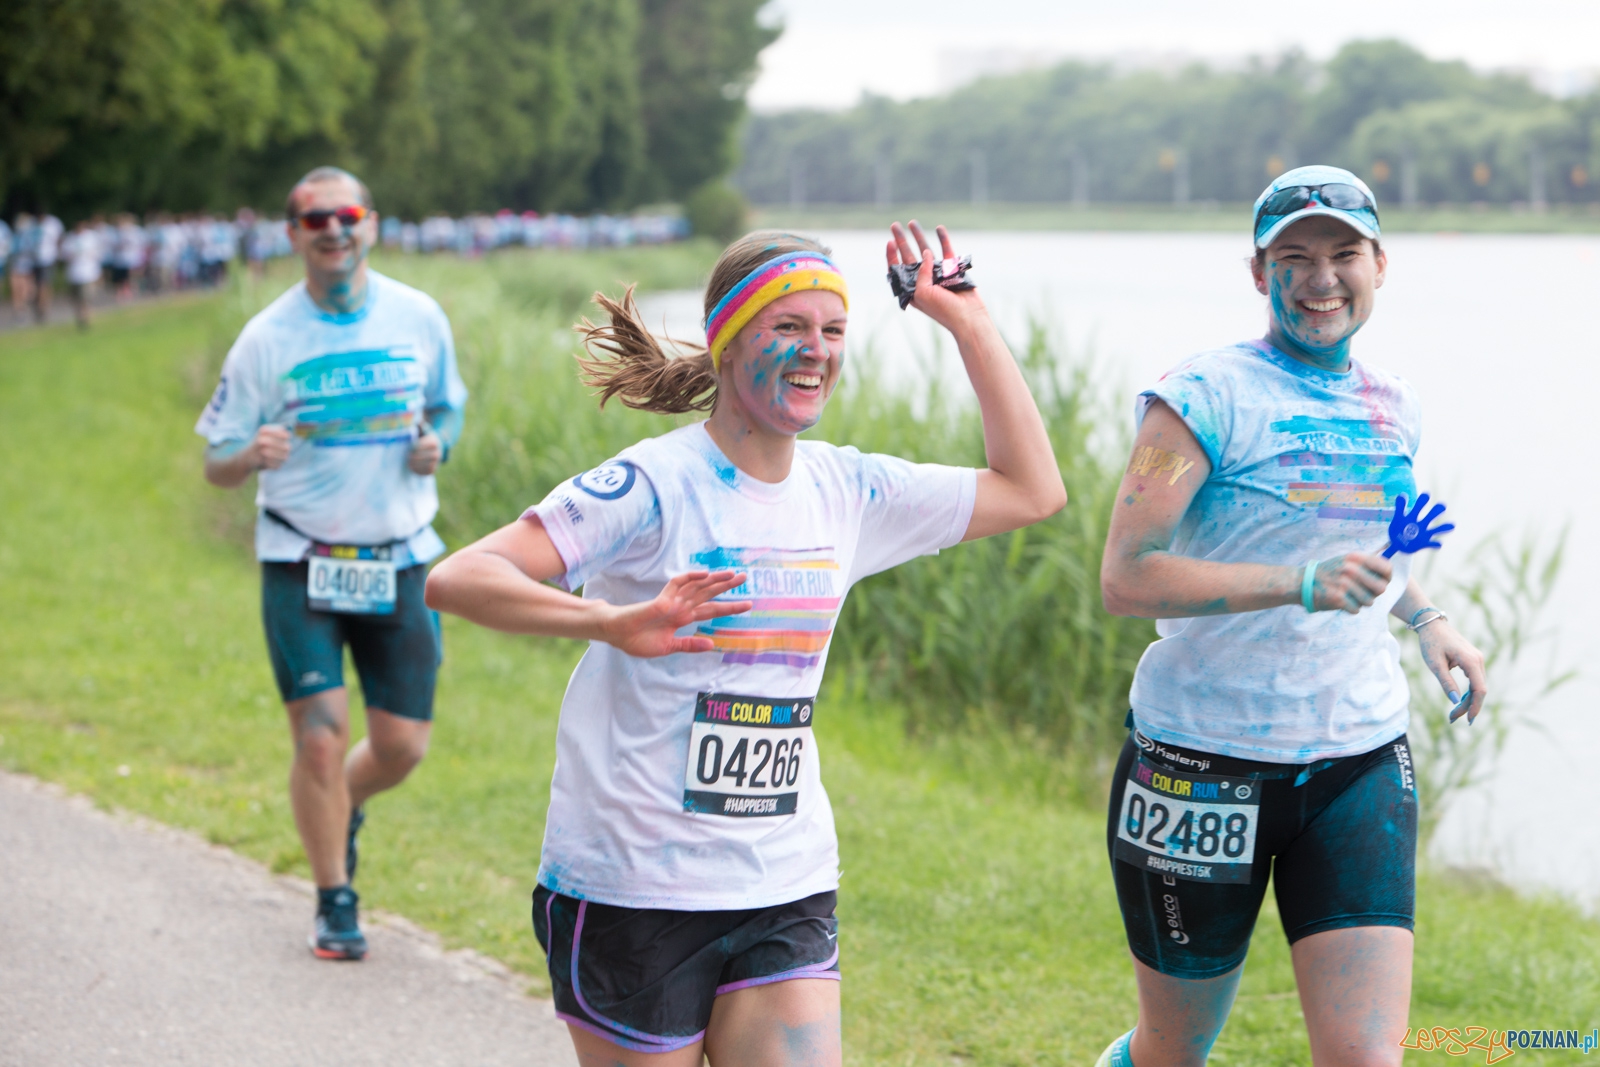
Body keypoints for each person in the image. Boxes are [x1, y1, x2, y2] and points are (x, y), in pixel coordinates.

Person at [424, 222, 1065, 1066]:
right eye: (788, 328)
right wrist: (611, 622)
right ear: (729, 342)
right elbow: (460, 577)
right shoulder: (654, 485)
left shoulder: (848, 489)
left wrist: (967, 320)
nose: (816, 351)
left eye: (833, 331)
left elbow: (1032, 489)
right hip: (633, 884)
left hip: (782, 877)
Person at [1094, 165, 1488, 1067]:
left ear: (1380, 264)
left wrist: (1428, 621)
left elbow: (1370, 551)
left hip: (1358, 759)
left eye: (1344, 253)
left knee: (1366, 1056)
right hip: (1199, 763)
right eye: (1295, 256)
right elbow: (1127, 576)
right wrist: (1295, 582)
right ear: (1258, 271)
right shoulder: (1198, 398)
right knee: (1173, 1047)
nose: (1322, 278)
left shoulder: (1395, 404)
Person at [195, 165, 468, 961]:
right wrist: (248, 454)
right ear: (293, 235)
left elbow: (448, 403)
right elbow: (214, 458)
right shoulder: (267, 338)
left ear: (371, 224)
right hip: (299, 558)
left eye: (346, 215)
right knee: (319, 735)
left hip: (400, 559)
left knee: (403, 746)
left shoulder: (419, 315)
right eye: (315, 219)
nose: (333, 229)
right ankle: (333, 898)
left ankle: (339, 802)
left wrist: (437, 445)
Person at [61, 217, 104, 329]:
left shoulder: (92, 237)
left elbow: (98, 254)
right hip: (74, 274)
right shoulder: (69, 238)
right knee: (76, 299)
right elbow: (63, 255)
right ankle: (80, 318)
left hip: (88, 274)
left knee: (86, 298)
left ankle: (85, 319)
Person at [33, 212, 62, 322]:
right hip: (35, 260)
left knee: (44, 284)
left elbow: (58, 239)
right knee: (38, 286)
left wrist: (58, 255)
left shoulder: (52, 223)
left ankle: (44, 307)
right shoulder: (33, 225)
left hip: (48, 259)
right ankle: (41, 306)